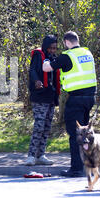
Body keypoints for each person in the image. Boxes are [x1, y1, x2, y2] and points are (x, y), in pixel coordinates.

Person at [43, 31, 97, 177]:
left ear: (67, 42)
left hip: (76, 99)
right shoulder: (87, 53)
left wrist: (46, 61)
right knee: (87, 134)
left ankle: (76, 169)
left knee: (75, 135)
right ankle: (89, 166)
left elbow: (46, 68)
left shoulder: (67, 56)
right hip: (90, 98)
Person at [26, 35, 60, 166]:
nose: (52, 50)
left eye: (55, 48)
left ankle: (41, 155)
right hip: (39, 96)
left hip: (51, 97)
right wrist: (36, 81)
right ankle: (31, 155)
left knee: (47, 127)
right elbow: (33, 70)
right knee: (39, 126)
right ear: (45, 47)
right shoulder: (38, 55)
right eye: (50, 48)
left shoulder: (54, 58)